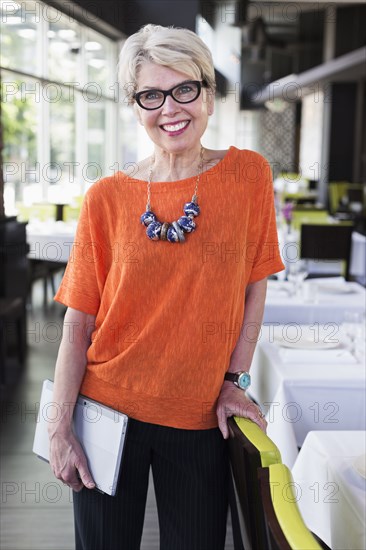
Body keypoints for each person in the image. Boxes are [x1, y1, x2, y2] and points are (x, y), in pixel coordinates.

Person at [49, 24, 284, 550]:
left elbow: (255, 288)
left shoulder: (249, 175)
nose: (170, 108)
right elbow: (78, 323)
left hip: (198, 416)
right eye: (151, 94)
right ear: (135, 105)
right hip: (104, 410)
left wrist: (235, 380)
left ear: (209, 94)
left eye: (185, 89)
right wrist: (59, 427)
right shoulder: (105, 197)